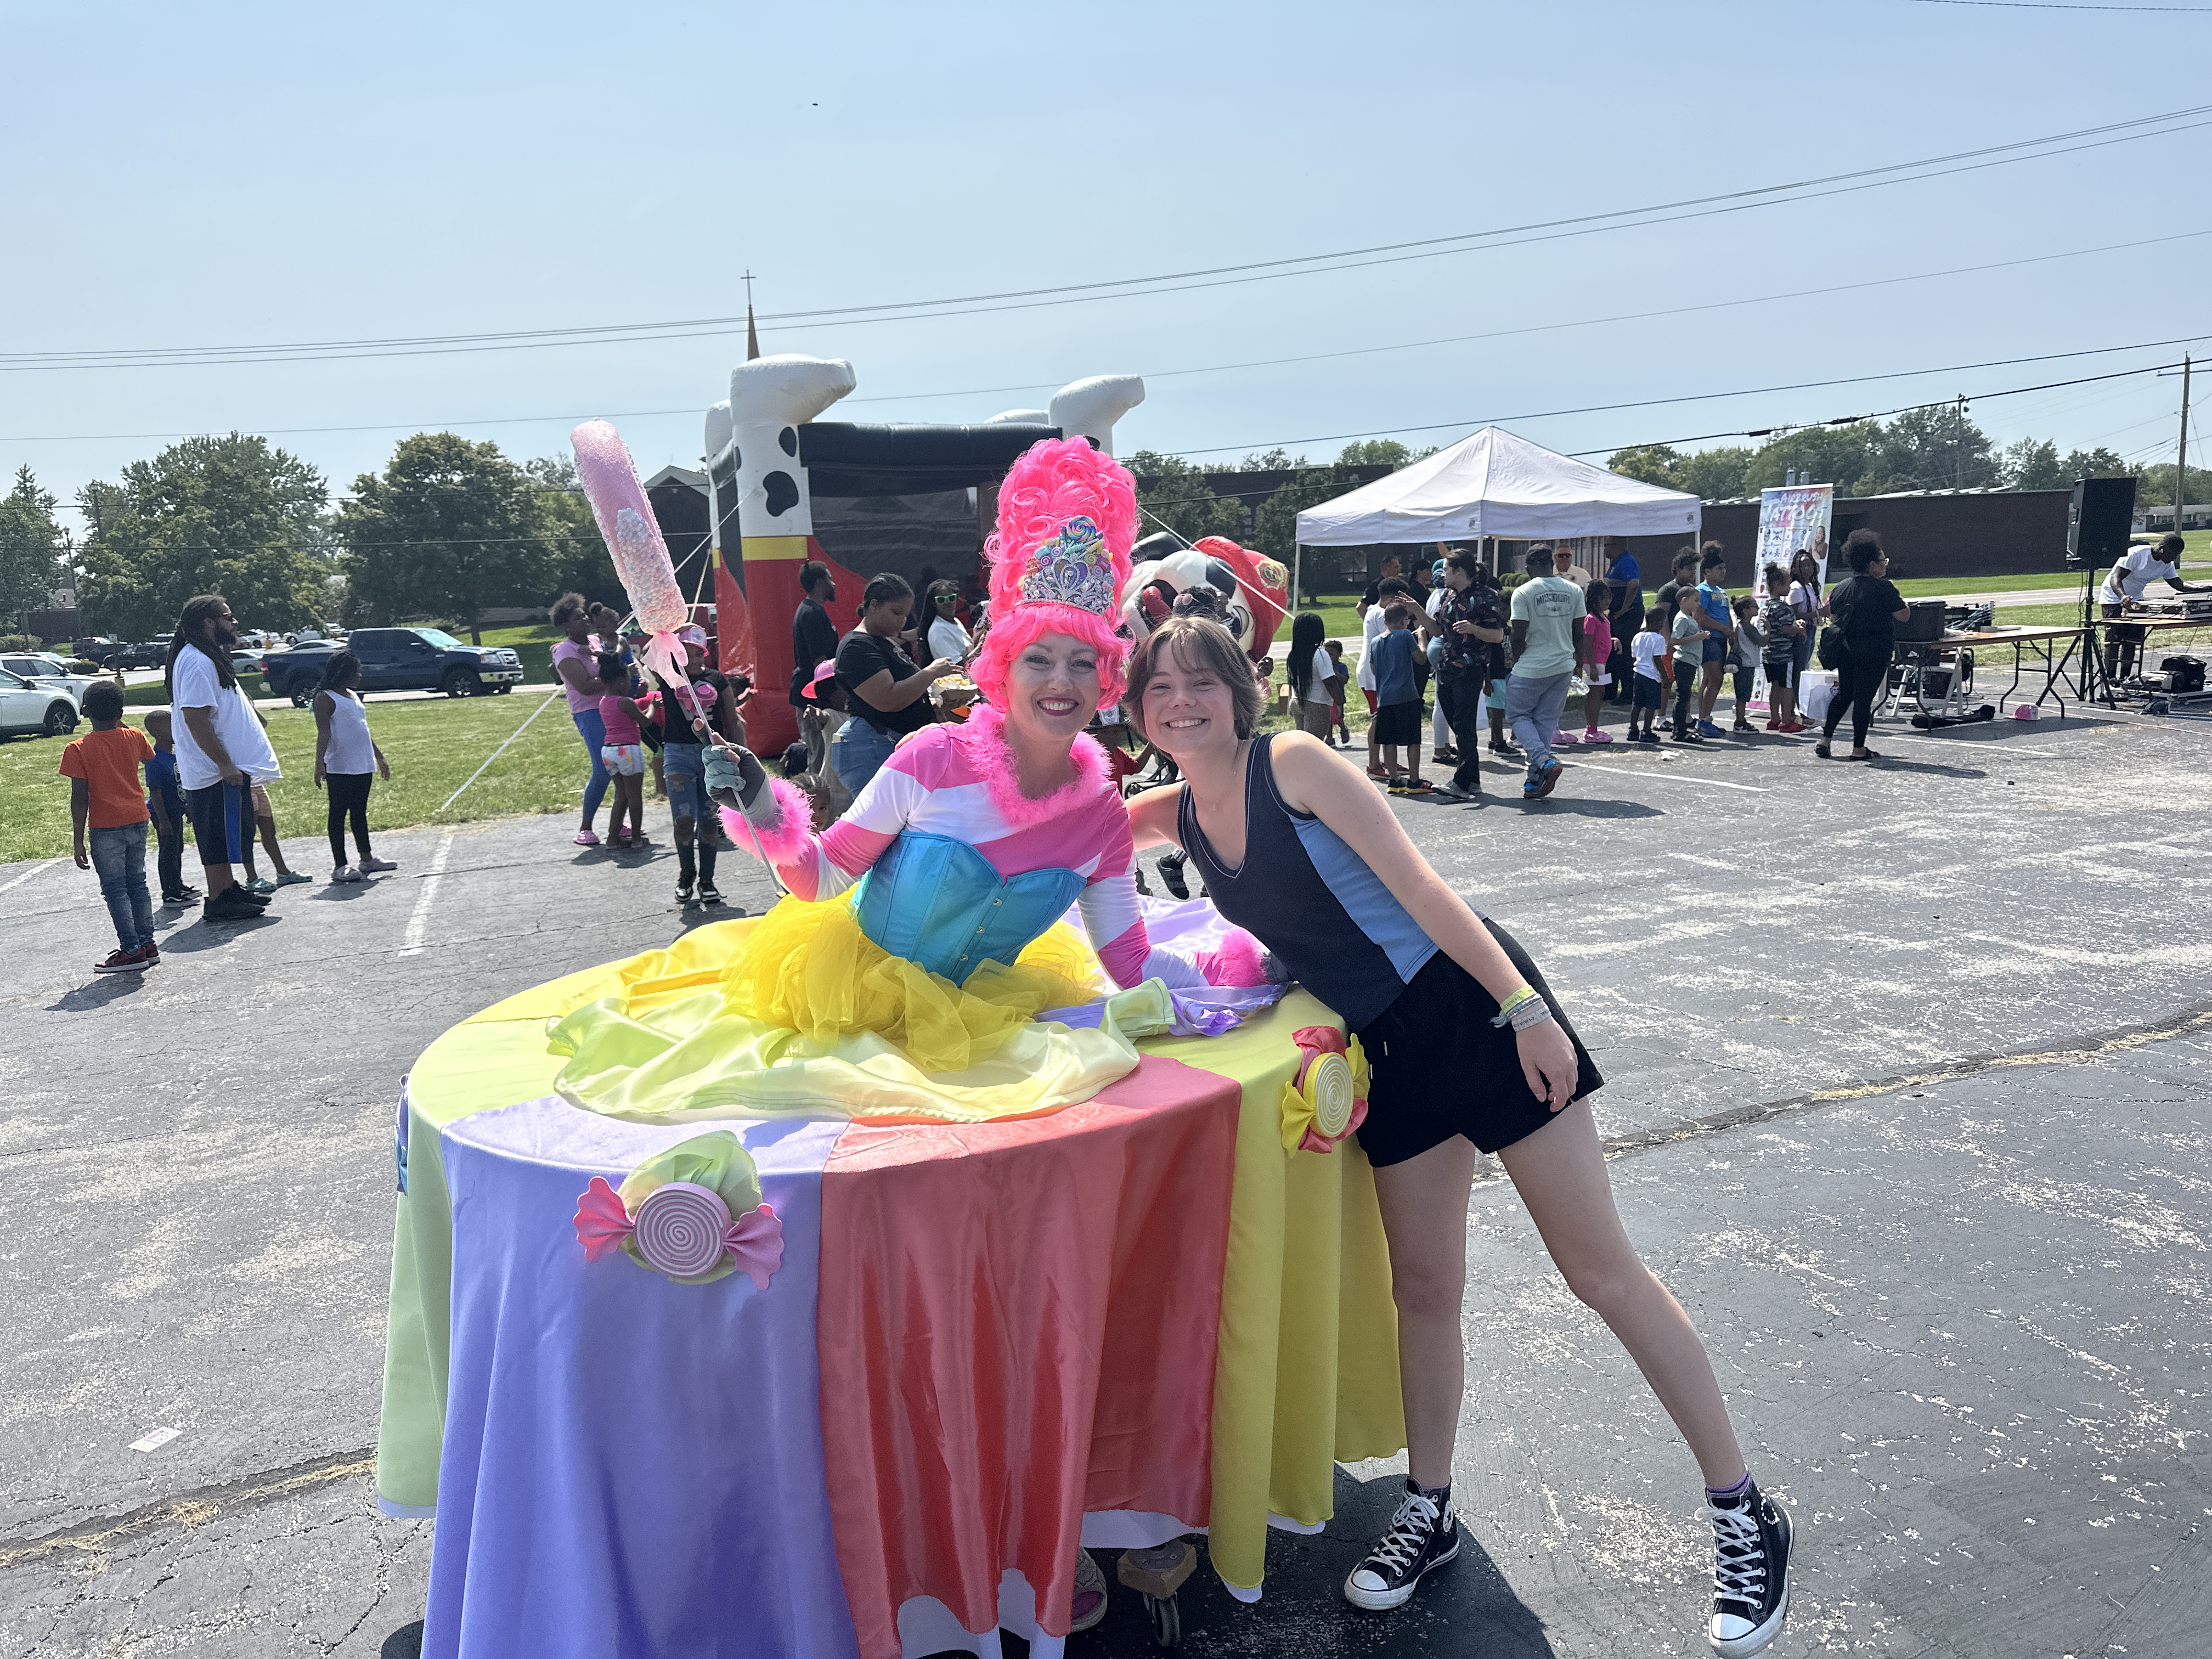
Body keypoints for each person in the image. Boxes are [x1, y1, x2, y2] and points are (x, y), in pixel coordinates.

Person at [1122, 613, 1794, 1655]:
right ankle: (1427, 1505)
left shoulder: (1291, 761)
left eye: (1199, 678)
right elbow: (1053, 829)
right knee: (1424, 1289)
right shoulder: (1175, 810)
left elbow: (1420, 883)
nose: (1180, 698)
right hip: (1385, 1057)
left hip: (1475, 1013)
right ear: (1139, 705)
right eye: (1158, 684)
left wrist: (1524, 1006)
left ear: (1238, 687)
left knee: (1601, 1273)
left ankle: (1742, 1507)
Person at [168, 594, 278, 923]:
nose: (235, 623)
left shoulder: (208, 656)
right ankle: (217, 898)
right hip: (214, 771)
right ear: (208, 623)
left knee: (233, 832)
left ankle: (229, 888)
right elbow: (196, 718)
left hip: (226, 769)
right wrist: (225, 764)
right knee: (217, 834)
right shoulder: (198, 661)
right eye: (228, 617)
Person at [61, 680, 160, 972]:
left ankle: (131, 950)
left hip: (105, 825)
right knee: (137, 884)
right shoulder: (134, 736)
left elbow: (79, 798)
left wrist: (78, 839)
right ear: (120, 711)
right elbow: (146, 753)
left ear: (85, 711)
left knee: (116, 889)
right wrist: (119, 718)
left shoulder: (77, 748)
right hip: (137, 818)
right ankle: (147, 944)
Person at [832, 572, 961, 794]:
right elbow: (888, 700)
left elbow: (904, 692)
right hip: (872, 747)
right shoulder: (857, 646)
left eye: (905, 614)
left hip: (887, 744)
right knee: (879, 823)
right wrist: (932, 671)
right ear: (874, 606)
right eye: (896, 612)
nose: (902, 620)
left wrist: (934, 704)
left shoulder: (881, 642)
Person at [654, 624, 730, 906]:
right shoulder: (669, 678)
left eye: (697, 651)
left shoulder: (717, 679)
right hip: (677, 753)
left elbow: (732, 719)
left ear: (704, 653)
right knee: (684, 820)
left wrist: (739, 753)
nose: (692, 657)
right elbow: (651, 655)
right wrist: (664, 628)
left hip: (711, 753)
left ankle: (707, 880)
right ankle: (686, 874)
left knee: (710, 822)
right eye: (686, 651)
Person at [1504, 546, 1587, 799]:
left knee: (1518, 716)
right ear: (1552, 564)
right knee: (1544, 722)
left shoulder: (1524, 592)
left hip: (1532, 666)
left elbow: (1518, 634)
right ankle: (1534, 779)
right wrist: (1579, 665)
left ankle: (1544, 761)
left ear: (1527, 567)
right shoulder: (1573, 590)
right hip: (1563, 664)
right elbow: (1579, 632)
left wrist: (1516, 661)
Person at [1819, 529, 1909, 761]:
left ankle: (1825, 740)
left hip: (1847, 650)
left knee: (1844, 694)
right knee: (1863, 699)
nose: (1886, 565)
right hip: (1875, 651)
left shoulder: (1841, 587)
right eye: (1883, 561)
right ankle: (1858, 748)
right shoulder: (1883, 588)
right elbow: (1904, 615)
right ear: (1871, 565)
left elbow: (1833, 617)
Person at [310, 650, 395, 883]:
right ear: (343, 673)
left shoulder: (353, 696)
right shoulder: (325, 698)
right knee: (338, 814)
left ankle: (366, 859)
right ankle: (340, 866)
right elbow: (323, 733)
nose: (359, 676)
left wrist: (379, 757)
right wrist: (320, 764)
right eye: (355, 672)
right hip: (340, 766)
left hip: (362, 764)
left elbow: (363, 730)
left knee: (359, 812)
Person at [1428, 550, 1505, 802]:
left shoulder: (1485, 597)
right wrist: (1416, 610)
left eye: (1447, 569)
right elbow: (1438, 629)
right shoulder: (1448, 596)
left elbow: (1497, 636)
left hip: (1470, 668)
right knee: (1457, 722)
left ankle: (1462, 782)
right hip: (1447, 666)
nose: (1442, 573)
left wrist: (1473, 629)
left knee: (1464, 725)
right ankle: (1472, 780)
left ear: (1461, 571)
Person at [551, 592, 618, 847]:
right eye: (578, 618)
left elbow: (612, 661)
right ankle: (585, 828)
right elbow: (585, 687)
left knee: (620, 767)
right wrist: (615, 676)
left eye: (585, 616)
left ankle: (617, 822)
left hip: (612, 708)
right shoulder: (565, 651)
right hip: (589, 713)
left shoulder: (594, 642)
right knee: (602, 769)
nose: (586, 620)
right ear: (566, 625)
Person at [2100, 532, 2207, 681]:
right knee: (2114, 640)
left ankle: (2124, 678)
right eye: (2174, 554)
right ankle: (2110, 679)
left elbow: (2178, 584)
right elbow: (2115, 577)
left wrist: (2198, 588)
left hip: (2136, 598)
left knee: (2131, 642)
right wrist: (2122, 597)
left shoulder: (2166, 564)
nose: (2174, 558)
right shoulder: (2137, 554)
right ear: (2162, 549)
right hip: (2113, 596)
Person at [1358, 575, 1417, 778]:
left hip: (1374, 673)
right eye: (1402, 599)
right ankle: (1374, 765)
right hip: (1376, 676)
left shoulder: (1373, 610)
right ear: (1394, 597)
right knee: (1379, 721)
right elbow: (1394, 639)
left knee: (1382, 720)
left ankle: (1387, 762)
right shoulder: (1382, 614)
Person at [142, 709, 198, 907]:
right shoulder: (155, 760)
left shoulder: (174, 756)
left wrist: (187, 808)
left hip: (176, 809)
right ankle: (170, 893)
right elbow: (156, 793)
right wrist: (164, 822)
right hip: (163, 813)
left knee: (178, 849)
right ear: (158, 733)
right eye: (172, 726)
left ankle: (178, 884)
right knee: (168, 851)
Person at [596, 651, 652, 847]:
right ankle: (637, 838)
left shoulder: (603, 702)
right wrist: (654, 705)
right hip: (628, 751)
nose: (631, 683)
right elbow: (645, 722)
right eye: (630, 680)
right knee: (635, 796)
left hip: (609, 751)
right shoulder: (625, 702)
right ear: (620, 681)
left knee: (621, 794)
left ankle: (613, 837)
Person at [1369, 602, 1425, 788]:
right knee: (1413, 740)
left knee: (1389, 740)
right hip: (1407, 695)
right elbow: (1421, 659)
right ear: (1403, 621)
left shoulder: (1375, 642)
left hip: (1385, 698)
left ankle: (1394, 780)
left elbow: (1374, 669)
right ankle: (1414, 781)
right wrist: (1422, 639)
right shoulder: (1405, 635)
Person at [1693, 546, 1735, 738]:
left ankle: (1704, 719)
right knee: (1716, 678)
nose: (1723, 572)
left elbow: (1726, 614)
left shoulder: (1721, 591)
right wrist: (1723, 629)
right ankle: (1704, 721)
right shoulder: (1702, 590)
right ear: (1707, 571)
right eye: (1719, 569)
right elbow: (1699, 616)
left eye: (1725, 568)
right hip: (1709, 639)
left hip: (1721, 640)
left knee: (1711, 680)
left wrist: (1731, 633)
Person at [1759, 566, 1806, 733]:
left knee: (1775, 686)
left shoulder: (1766, 606)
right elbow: (1786, 629)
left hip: (1769, 654)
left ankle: (1774, 719)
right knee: (1787, 687)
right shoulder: (1784, 608)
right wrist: (1799, 629)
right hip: (1784, 654)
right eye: (1787, 585)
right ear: (1779, 586)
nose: (1789, 588)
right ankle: (1787, 721)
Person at [1286, 611, 1342, 741]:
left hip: (1297, 701)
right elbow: (1330, 682)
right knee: (1314, 746)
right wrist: (1339, 703)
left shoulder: (1293, 654)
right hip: (1317, 704)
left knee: (1303, 744)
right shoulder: (1320, 654)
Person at [791, 562, 842, 708]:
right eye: (830, 580)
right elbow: (820, 661)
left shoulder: (813, 610)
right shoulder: (812, 614)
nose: (834, 585)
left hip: (814, 695)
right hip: (814, 699)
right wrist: (833, 695)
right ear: (820, 583)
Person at [1575, 578, 1615, 745]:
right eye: (1602, 598)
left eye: (1608, 597)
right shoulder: (1590, 618)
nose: (1606, 601)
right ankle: (1591, 729)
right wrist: (1591, 666)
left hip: (1600, 661)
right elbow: (1587, 642)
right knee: (1595, 694)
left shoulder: (1601, 617)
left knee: (1598, 694)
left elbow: (1600, 638)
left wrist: (1614, 640)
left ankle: (1593, 728)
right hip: (1595, 662)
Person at [1604, 540, 1643, 704]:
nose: (1604, 549)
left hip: (1628, 614)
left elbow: (1634, 584)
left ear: (1615, 546)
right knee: (1612, 652)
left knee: (1624, 653)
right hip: (1617, 614)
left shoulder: (1626, 561)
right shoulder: (1616, 563)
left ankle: (1628, 693)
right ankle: (1610, 691)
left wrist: (1625, 607)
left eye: (1606, 545)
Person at [1670, 596, 1709, 744]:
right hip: (1683, 661)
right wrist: (1695, 637)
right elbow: (1675, 640)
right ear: (1684, 601)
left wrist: (1701, 636)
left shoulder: (1689, 618)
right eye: (1696, 601)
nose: (1699, 604)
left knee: (1684, 696)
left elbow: (1690, 636)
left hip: (1691, 661)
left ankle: (1680, 730)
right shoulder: (1682, 619)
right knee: (1682, 697)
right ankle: (1679, 731)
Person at [1628, 606, 1668, 743]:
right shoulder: (1658, 639)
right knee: (1651, 705)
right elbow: (1658, 660)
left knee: (1637, 703)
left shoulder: (1638, 636)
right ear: (1659, 622)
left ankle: (1633, 730)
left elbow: (1634, 656)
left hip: (1638, 673)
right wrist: (1664, 677)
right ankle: (1646, 731)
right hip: (1652, 675)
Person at [1787, 551, 1825, 695]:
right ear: (1796, 569)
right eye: (1803, 566)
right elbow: (1793, 614)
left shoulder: (1810, 586)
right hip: (1801, 631)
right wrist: (1817, 614)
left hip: (1811, 629)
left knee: (1804, 667)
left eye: (1810, 565)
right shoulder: (1796, 588)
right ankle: (1795, 705)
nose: (1807, 569)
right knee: (1799, 669)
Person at [1728, 597, 1765, 732]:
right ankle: (1739, 723)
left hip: (1745, 664)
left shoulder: (1742, 627)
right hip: (1745, 664)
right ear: (1745, 611)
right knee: (1743, 695)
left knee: (1742, 695)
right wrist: (1769, 630)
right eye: (1754, 606)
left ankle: (1741, 720)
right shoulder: (1747, 627)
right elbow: (1762, 642)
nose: (1757, 608)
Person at [923, 578, 973, 666]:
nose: (947, 603)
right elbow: (957, 666)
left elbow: (968, 651)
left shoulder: (955, 621)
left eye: (951, 598)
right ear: (934, 603)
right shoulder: (938, 630)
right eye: (941, 600)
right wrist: (980, 645)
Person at [1325, 640, 1352, 744]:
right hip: (1327, 696)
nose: (1329, 657)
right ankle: (1329, 737)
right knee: (1328, 719)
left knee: (1338, 718)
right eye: (1326, 654)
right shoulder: (1324, 666)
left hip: (1338, 697)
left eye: (1331, 654)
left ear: (1339, 655)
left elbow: (1344, 680)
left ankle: (1343, 729)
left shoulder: (1342, 667)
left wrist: (1335, 673)